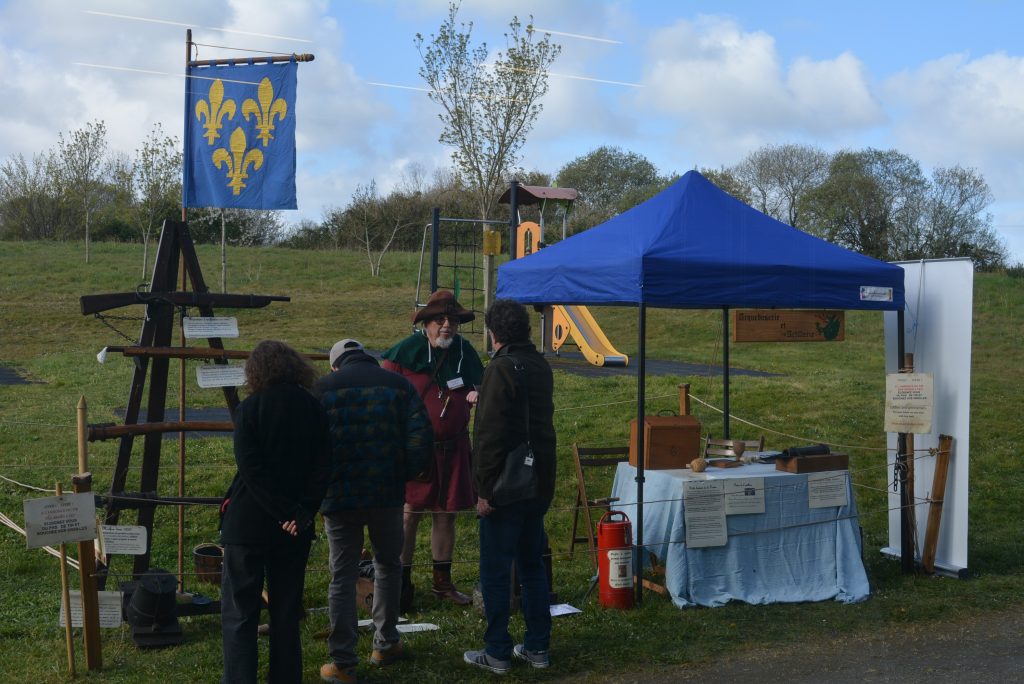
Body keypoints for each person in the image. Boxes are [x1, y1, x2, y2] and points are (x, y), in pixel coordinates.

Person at [316, 338, 433, 684]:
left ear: (335, 365)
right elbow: (420, 436)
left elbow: (310, 443)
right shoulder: (398, 385)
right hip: (386, 492)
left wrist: (321, 484)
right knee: (388, 565)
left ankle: (343, 661)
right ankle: (386, 643)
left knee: (342, 575)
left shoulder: (322, 389)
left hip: (339, 497)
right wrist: (405, 472)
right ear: (366, 358)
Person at [220, 340, 331, 684]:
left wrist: (284, 512)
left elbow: (251, 471)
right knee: (285, 613)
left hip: (248, 524)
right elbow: (323, 466)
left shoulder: (250, 409)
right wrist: (301, 512)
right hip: (295, 526)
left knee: (240, 614)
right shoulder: (313, 407)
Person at [464, 299, 557, 674]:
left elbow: (490, 435)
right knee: (532, 567)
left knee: (496, 571)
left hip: (506, 484)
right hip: (538, 480)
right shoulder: (540, 365)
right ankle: (537, 646)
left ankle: (498, 650)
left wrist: (484, 489)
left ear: (493, 333)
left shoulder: (500, 368)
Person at [380, 290, 484, 608]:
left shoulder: (465, 352)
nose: (447, 325)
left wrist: (479, 393)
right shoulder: (403, 353)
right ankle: (400, 587)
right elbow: (382, 395)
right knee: (409, 514)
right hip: (416, 449)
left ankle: (442, 584)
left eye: (452, 320)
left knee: (446, 514)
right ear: (426, 323)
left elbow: (483, 385)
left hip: (454, 447)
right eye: (440, 319)